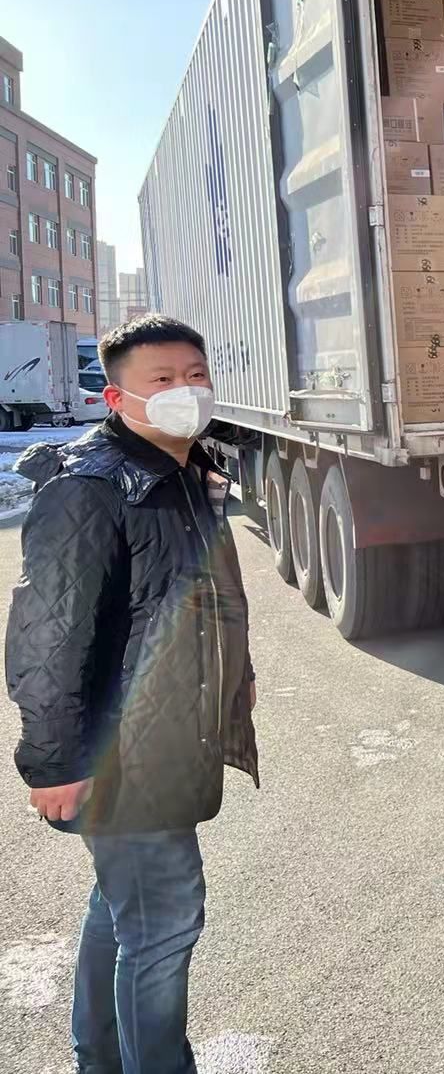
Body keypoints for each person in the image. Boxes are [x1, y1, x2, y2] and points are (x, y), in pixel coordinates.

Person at [5, 314, 259, 1074]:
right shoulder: (90, 488)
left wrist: (235, 684)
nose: (186, 391)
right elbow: (48, 637)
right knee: (164, 922)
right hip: (123, 750)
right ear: (117, 397)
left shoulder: (181, 473)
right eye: (163, 379)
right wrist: (54, 762)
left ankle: (102, 1059)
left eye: (195, 375)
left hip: (165, 735)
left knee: (124, 912)